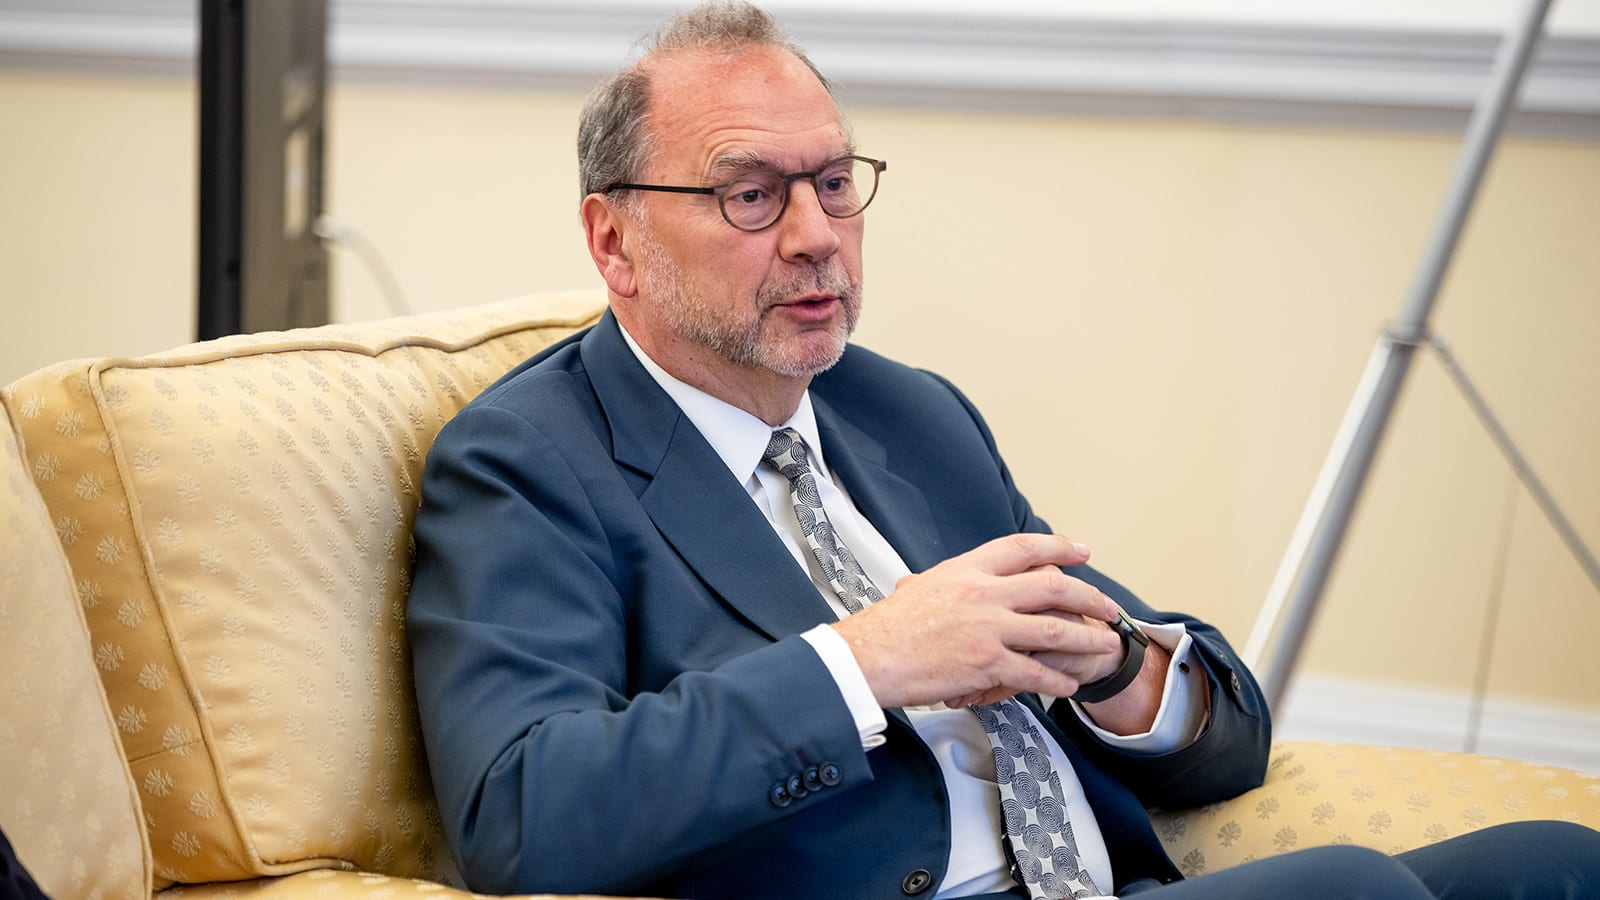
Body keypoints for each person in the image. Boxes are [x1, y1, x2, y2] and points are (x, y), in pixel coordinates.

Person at [406, 3, 1600, 898]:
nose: (819, 238)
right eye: (752, 198)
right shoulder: (528, 461)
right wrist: (865, 663)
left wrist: (1121, 675)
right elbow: (523, 811)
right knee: (1347, 892)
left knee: (1559, 866)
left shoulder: (900, 410)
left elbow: (1225, 734)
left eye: (833, 182)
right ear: (614, 241)